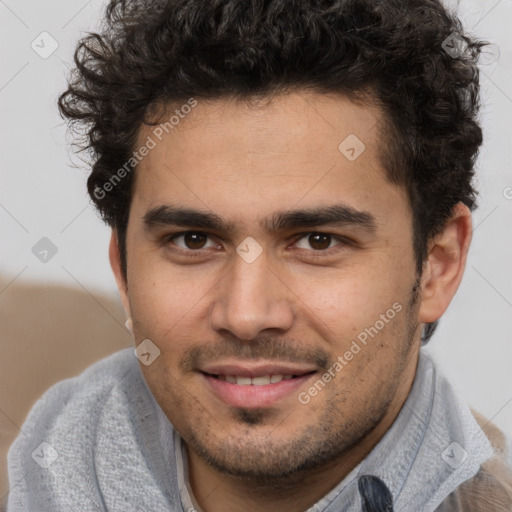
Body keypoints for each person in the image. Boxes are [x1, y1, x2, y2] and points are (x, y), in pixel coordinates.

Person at [7, 0, 512, 510]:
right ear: (124, 271)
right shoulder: (38, 468)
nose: (246, 315)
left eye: (318, 241)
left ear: (438, 266)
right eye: (193, 240)